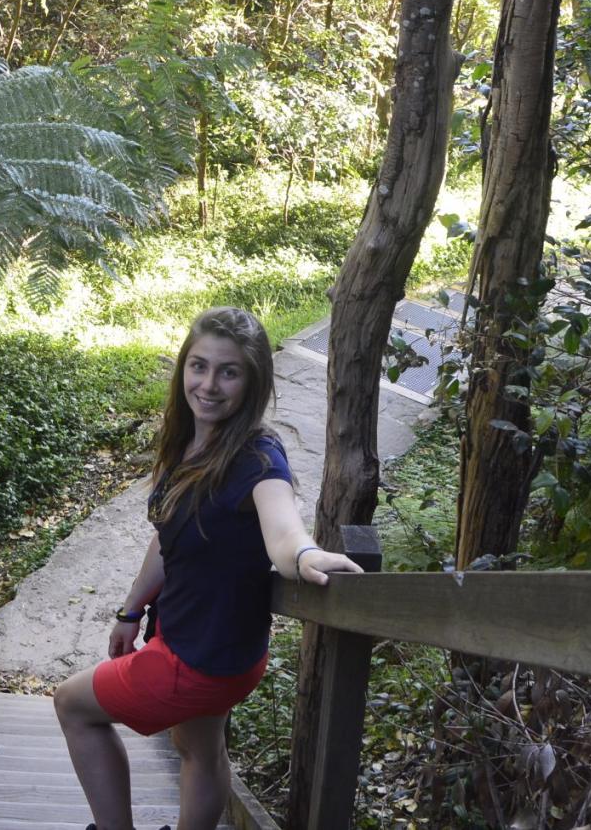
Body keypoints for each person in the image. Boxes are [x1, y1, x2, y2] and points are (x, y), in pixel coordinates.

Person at [54, 307, 363, 830]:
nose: (210, 385)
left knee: (72, 705)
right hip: (224, 651)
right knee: (199, 747)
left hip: (197, 661)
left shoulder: (257, 458)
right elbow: (168, 537)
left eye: (229, 371)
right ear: (183, 369)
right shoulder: (190, 443)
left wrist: (306, 555)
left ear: (253, 380)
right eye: (199, 366)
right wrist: (130, 611)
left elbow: (283, 529)